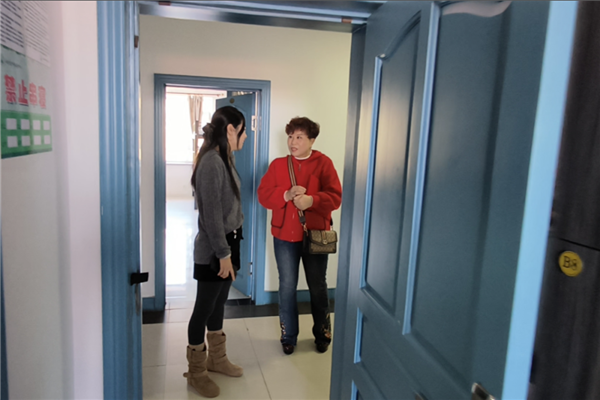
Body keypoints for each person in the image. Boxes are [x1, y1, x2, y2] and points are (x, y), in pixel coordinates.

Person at [257, 116, 342, 355]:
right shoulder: (277, 165)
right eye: (290, 136)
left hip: (315, 235)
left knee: (318, 286)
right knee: (287, 287)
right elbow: (263, 195)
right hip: (284, 235)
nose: (293, 142)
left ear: (312, 140)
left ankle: (323, 334)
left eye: (299, 137)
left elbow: (335, 196)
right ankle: (288, 336)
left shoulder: (324, 163)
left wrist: (312, 200)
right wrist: (285, 195)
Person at [184, 106, 247, 398]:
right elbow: (210, 216)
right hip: (214, 250)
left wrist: (230, 249)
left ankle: (217, 359)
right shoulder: (211, 162)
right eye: (243, 130)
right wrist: (223, 254)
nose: (245, 137)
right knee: (204, 308)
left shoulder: (225, 157)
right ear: (231, 129)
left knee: (219, 302)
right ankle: (197, 372)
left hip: (229, 244)